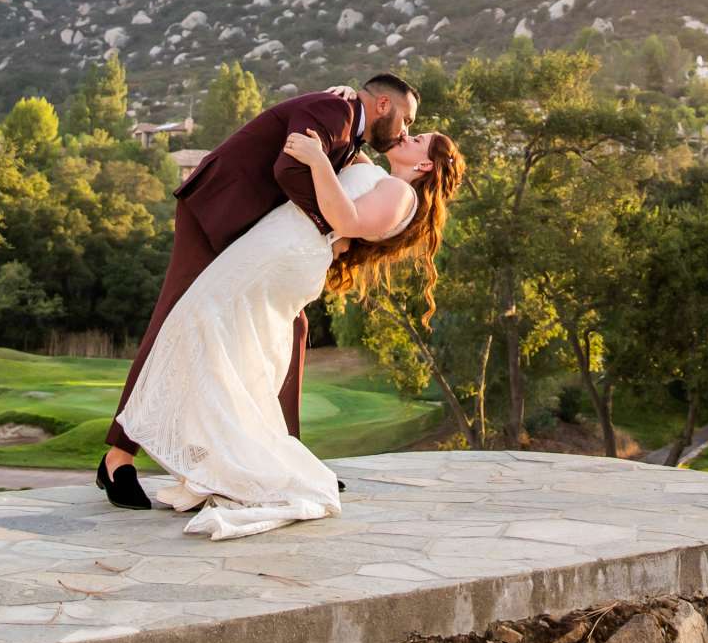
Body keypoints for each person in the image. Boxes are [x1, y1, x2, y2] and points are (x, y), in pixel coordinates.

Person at [119, 118, 465, 538]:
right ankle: (220, 457)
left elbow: (349, 220)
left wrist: (319, 160)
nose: (408, 135)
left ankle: (238, 463)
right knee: (221, 338)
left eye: (419, 140)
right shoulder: (379, 177)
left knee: (202, 322)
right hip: (279, 245)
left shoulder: (402, 193)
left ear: (426, 166)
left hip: (285, 254)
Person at [96, 72, 421, 509]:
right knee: (171, 320)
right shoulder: (335, 110)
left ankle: (284, 458)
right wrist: (328, 229)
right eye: (407, 119)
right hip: (215, 212)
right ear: (384, 105)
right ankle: (117, 458)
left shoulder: (349, 127)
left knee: (294, 329)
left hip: (249, 231)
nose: (406, 131)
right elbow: (287, 168)